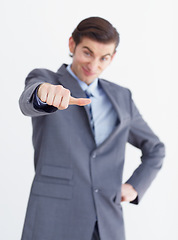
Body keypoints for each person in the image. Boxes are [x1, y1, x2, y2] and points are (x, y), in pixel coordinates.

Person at [19, 16, 165, 240]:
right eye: (87, 53)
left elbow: (155, 148)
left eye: (104, 58)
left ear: (112, 57)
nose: (94, 65)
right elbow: (30, 100)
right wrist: (44, 94)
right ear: (72, 45)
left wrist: (135, 186)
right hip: (54, 218)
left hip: (107, 222)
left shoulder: (121, 96)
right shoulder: (46, 80)